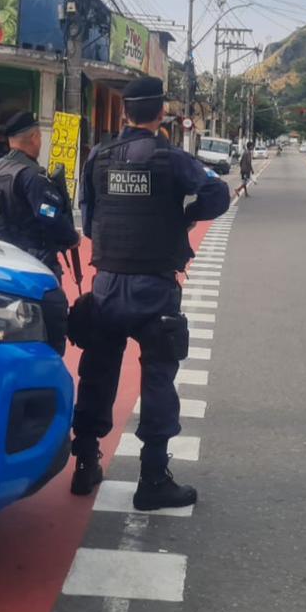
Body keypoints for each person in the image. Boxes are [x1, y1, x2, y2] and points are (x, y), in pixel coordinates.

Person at [68, 76, 230, 510]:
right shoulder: (171, 158)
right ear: (161, 115)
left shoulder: (98, 157)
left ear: (123, 113)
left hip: (106, 284)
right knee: (158, 378)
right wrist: (186, 217)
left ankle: (85, 463)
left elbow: (88, 217)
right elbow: (217, 194)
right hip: (154, 289)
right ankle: (153, 479)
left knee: (98, 371)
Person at [0, 111, 79, 278]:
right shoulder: (31, 176)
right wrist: (72, 237)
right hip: (33, 262)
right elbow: (48, 213)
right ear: (34, 137)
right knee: (53, 303)